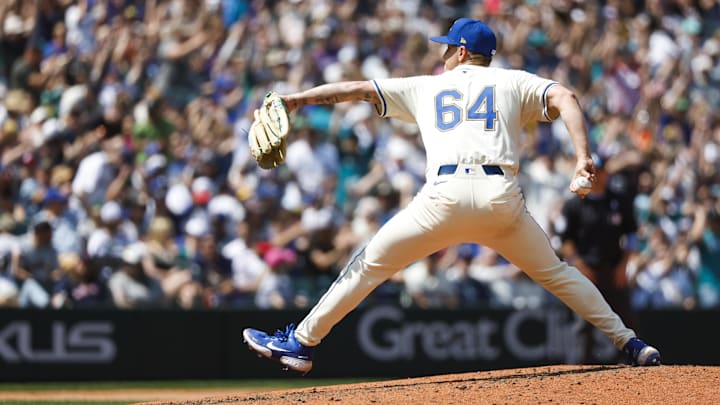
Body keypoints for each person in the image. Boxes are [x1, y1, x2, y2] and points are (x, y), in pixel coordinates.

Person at [244, 18, 661, 374]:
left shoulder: (427, 86)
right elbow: (565, 97)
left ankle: (301, 343)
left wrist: (295, 100)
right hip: (501, 198)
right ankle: (630, 343)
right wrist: (582, 157)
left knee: (369, 264)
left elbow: (355, 90)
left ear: (462, 52)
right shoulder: (513, 81)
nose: (440, 55)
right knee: (558, 274)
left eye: (446, 48)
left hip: (443, 197)